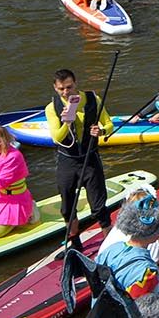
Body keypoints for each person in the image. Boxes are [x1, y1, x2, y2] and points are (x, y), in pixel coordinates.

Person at [47, 67, 114, 242]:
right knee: (67, 207)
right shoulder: (52, 108)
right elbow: (56, 138)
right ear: (55, 88)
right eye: (61, 89)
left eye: (69, 87)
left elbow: (109, 124)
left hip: (90, 158)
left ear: (75, 83)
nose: (65, 92)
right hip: (67, 160)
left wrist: (101, 130)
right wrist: (66, 123)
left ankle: (110, 242)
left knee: (99, 207)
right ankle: (74, 243)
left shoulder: (93, 99)